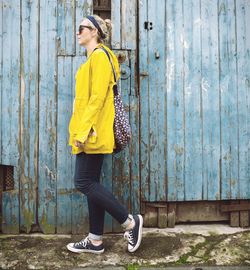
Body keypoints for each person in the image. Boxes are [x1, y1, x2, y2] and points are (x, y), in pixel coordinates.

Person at [66, 15, 143, 254]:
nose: (78, 31)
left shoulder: (99, 57)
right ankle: (95, 240)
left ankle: (130, 222)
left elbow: (97, 98)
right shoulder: (94, 58)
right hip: (91, 130)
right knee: (91, 183)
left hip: (92, 132)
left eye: (82, 28)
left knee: (83, 181)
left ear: (95, 32)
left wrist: (82, 130)